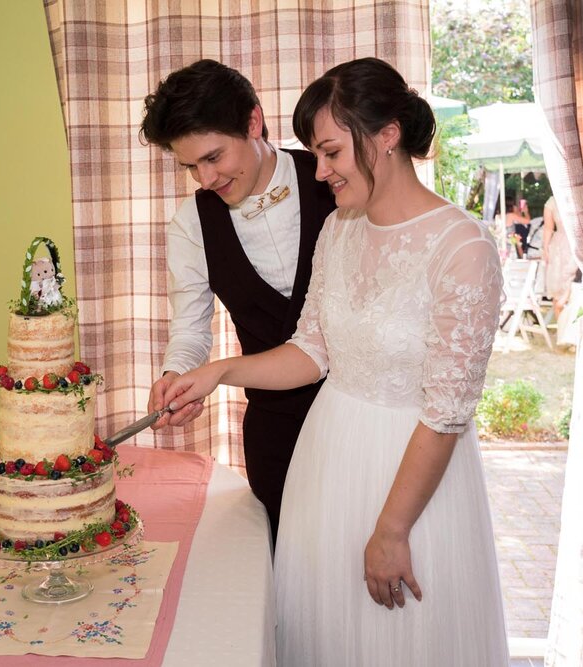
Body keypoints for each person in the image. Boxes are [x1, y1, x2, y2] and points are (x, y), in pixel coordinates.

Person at [161, 58, 508, 665]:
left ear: (387, 135)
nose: (320, 173)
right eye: (316, 156)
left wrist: (393, 529)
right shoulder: (339, 233)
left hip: (411, 476)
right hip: (326, 466)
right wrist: (217, 372)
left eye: (331, 154)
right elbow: (311, 351)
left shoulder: (464, 245)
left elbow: (447, 410)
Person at [139, 59, 336, 542]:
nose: (205, 179)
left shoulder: (335, 178)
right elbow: (190, 329)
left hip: (361, 421)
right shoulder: (191, 224)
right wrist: (175, 378)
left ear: (253, 121)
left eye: (213, 157)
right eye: (190, 167)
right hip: (277, 432)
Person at [542, 195, 578, 316]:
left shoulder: (579, 196)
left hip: (577, 243)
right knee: (558, 288)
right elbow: (548, 228)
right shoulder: (552, 201)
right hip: (558, 247)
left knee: (573, 284)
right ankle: (561, 328)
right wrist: (545, 249)